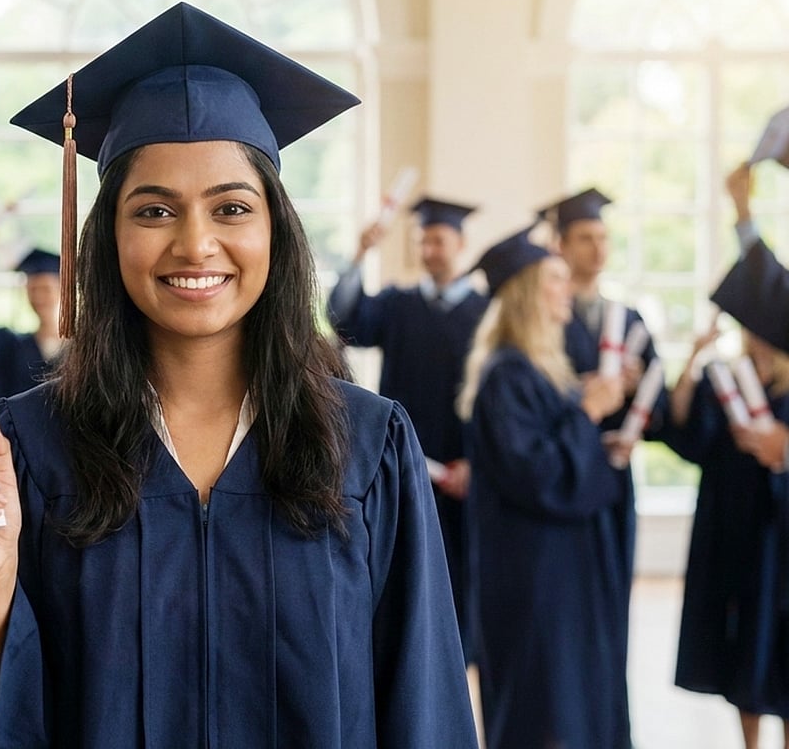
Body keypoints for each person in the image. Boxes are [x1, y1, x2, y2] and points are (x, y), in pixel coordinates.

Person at [0, 1, 478, 748]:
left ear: (275, 229)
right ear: (107, 236)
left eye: (231, 207)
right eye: (154, 211)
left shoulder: (368, 444)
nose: (196, 245)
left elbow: (423, 706)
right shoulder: (21, 449)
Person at [458, 226, 630, 748]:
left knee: (579, 699)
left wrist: (601, 442)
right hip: (535, 579)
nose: (568, 288)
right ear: (531, 293)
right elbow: (539, 476)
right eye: (555, 278)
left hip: (565, 573)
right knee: (547, 707)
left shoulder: (542, 372)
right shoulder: (506, 376)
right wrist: (587, 414)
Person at [328, 195, 487, 662]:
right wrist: (360, 254)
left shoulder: (487, 311)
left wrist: (478, 464)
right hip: (408, 460)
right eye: (422, 241)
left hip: (467, 469)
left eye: (437, 240)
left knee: (463, 573)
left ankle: (463, 658)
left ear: (460, 242)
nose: (429, 250)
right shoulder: (398, 304)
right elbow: (343, 318)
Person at [665, 163, 789, 749]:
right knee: (744, 649)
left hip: (781, 539)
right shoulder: (729, 377)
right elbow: (691, 440)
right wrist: (690, 365)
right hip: (738, 532)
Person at [0, 228, 63, 400]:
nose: (38, 297)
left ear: (62, 291)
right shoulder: (11, 347)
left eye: (45, 289)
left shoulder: (81, 351)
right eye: (32, 289)